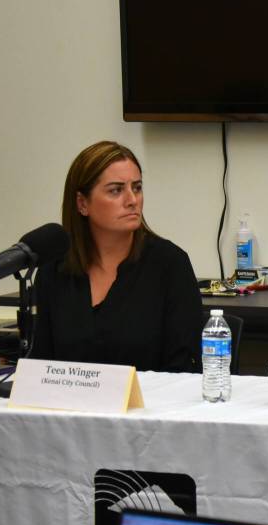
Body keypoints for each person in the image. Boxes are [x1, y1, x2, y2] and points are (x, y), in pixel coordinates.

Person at [31, 141, 203, 372]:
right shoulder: (54, 269)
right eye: (116, 190)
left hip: (149, 404)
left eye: (137, 187)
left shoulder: (169, 264)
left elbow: (184, 368)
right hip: (70, 406)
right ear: (82, 203)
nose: (132, 200)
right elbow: (42, 365)